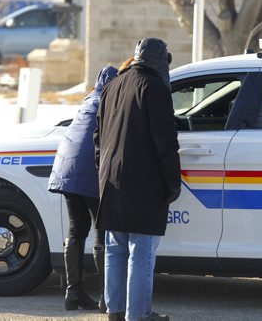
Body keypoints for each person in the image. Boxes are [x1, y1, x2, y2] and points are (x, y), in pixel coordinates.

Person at [94, 38, 181, 321]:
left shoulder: (112, 86)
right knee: (141, 254)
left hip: (110, 180)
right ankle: (139, 315)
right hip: (144, 183)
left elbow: (97, 139)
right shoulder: (154, 88)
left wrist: (102, 171)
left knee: (115, 250)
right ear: (160, 60)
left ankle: (115, 312)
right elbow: (166, 143)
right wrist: (172, 182)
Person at [48, 65, 118, 311]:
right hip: (90, 170)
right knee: (102, 231)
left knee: (77, 230)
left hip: (67, 170)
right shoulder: (110, 101)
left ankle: (73, 292)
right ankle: (106, 297)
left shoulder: (88, 100)